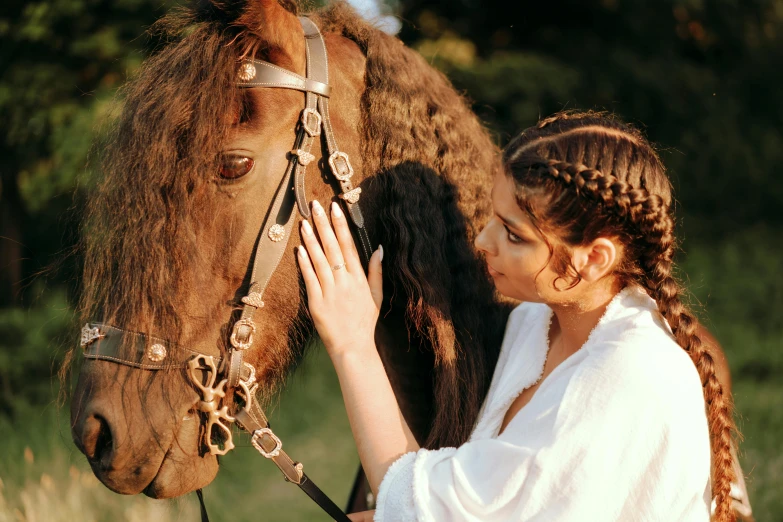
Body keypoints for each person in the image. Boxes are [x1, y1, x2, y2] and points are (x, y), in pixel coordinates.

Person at [296, 111, 737, 521]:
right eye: (493, 217)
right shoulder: (534, 323)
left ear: (594, 258)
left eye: (513, 234)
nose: (484, 241)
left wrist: (353, 345)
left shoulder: (630, 374)